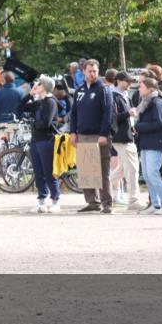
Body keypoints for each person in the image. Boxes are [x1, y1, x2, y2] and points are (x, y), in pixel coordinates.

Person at [69, 59, 114, 213]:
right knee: (86, 170)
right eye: (90, 71)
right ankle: (91, 202)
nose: (92, 73)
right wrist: (73, 132)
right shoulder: (79, 90)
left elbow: (108, 113)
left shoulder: (104, 89)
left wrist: (104, 134)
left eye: (95, 71)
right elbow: (73, 114)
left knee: (102, 171)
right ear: (83, 71)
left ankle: (107, 203)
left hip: (98, 136)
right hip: (82, 135)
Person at [132, 78, 162, 213]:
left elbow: (160, 123)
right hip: (145, 142)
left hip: (156, 143)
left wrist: (138, 127)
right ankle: (155, 204)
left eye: (141, 87)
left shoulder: (157, 102)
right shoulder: (145, 102)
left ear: (150, 89)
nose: (139, 89)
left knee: (153, 174)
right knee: (148, 176)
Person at [22, 77, 60, 213]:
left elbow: (46, 123)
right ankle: (41, 201)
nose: (36, 85)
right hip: (36, 141)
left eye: (38, 84)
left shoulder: (51, 102)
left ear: (44, 86)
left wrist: (33, 124)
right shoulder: (38, 102)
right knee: (38, 172)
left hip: (47, 140)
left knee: (49, 172)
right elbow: (20, 107)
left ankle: (55, 201)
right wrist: (29, 95)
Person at [109, 73, 141, 210]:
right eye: (126, 81)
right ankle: (133, 200)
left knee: (122, 169)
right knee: (132, 169)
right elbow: (113, 117)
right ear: (118, 81)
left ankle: (101, 187)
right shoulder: (112, 96)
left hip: (127, 134)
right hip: (120, 137)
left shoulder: (124, 95)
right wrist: (129, 113)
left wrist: (132, 125)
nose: (129, 84)